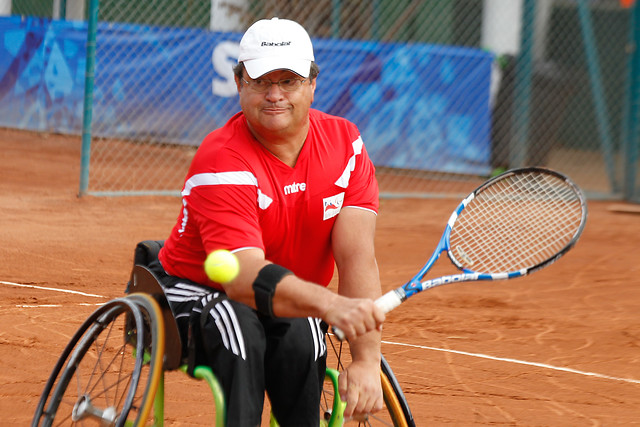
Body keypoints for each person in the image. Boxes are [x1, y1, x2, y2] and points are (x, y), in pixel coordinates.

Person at [152, 17, 385, 426]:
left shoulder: (345, 145)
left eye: (289, 80)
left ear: (313, 83)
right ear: (239, 82)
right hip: (197, 291)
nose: (275, 95)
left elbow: (357, 258)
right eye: (261, 81)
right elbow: (241, 278)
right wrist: (331, 305)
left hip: (285, 295)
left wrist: (367, 361)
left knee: (303, 332)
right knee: (239, 325)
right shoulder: (221, 160)